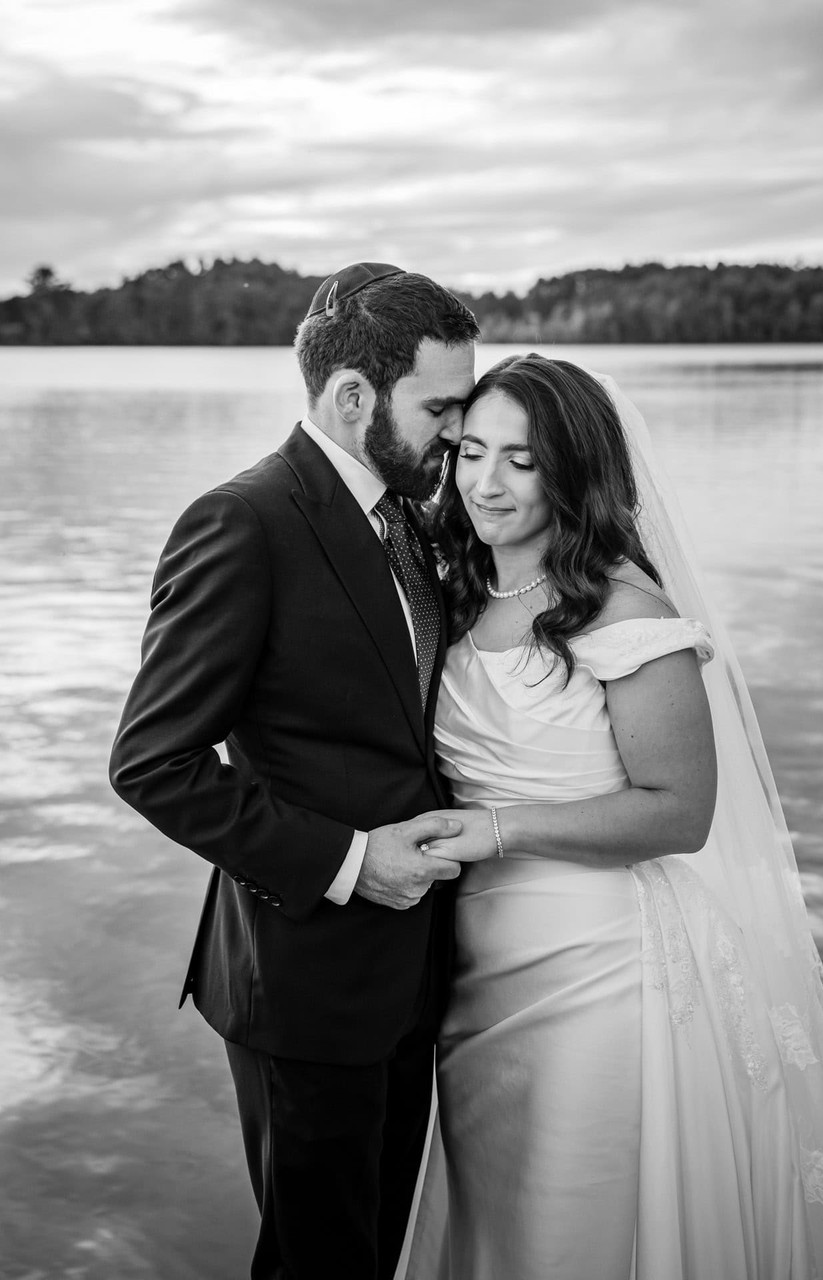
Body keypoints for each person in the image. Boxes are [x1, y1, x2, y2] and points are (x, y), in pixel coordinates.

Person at [396, 353, 823, 1279]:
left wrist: (498, 829)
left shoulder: (624, 610)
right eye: (472, 451)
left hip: (598, 964)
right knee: (494, 1203)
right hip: (474, 953)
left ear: (572, 468)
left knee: (578, 1208)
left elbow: (679, 813)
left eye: (520, 461)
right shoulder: (454, 588)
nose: (486, 483)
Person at [109, 263, 480, 1280]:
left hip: (414, 976)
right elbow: (154, 760)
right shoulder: (244, 522)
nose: (458, 429)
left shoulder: (409, 515)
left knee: (378, 1250)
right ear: (352, 396)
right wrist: (353, 860)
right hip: (305, 981)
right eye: (441, 405)